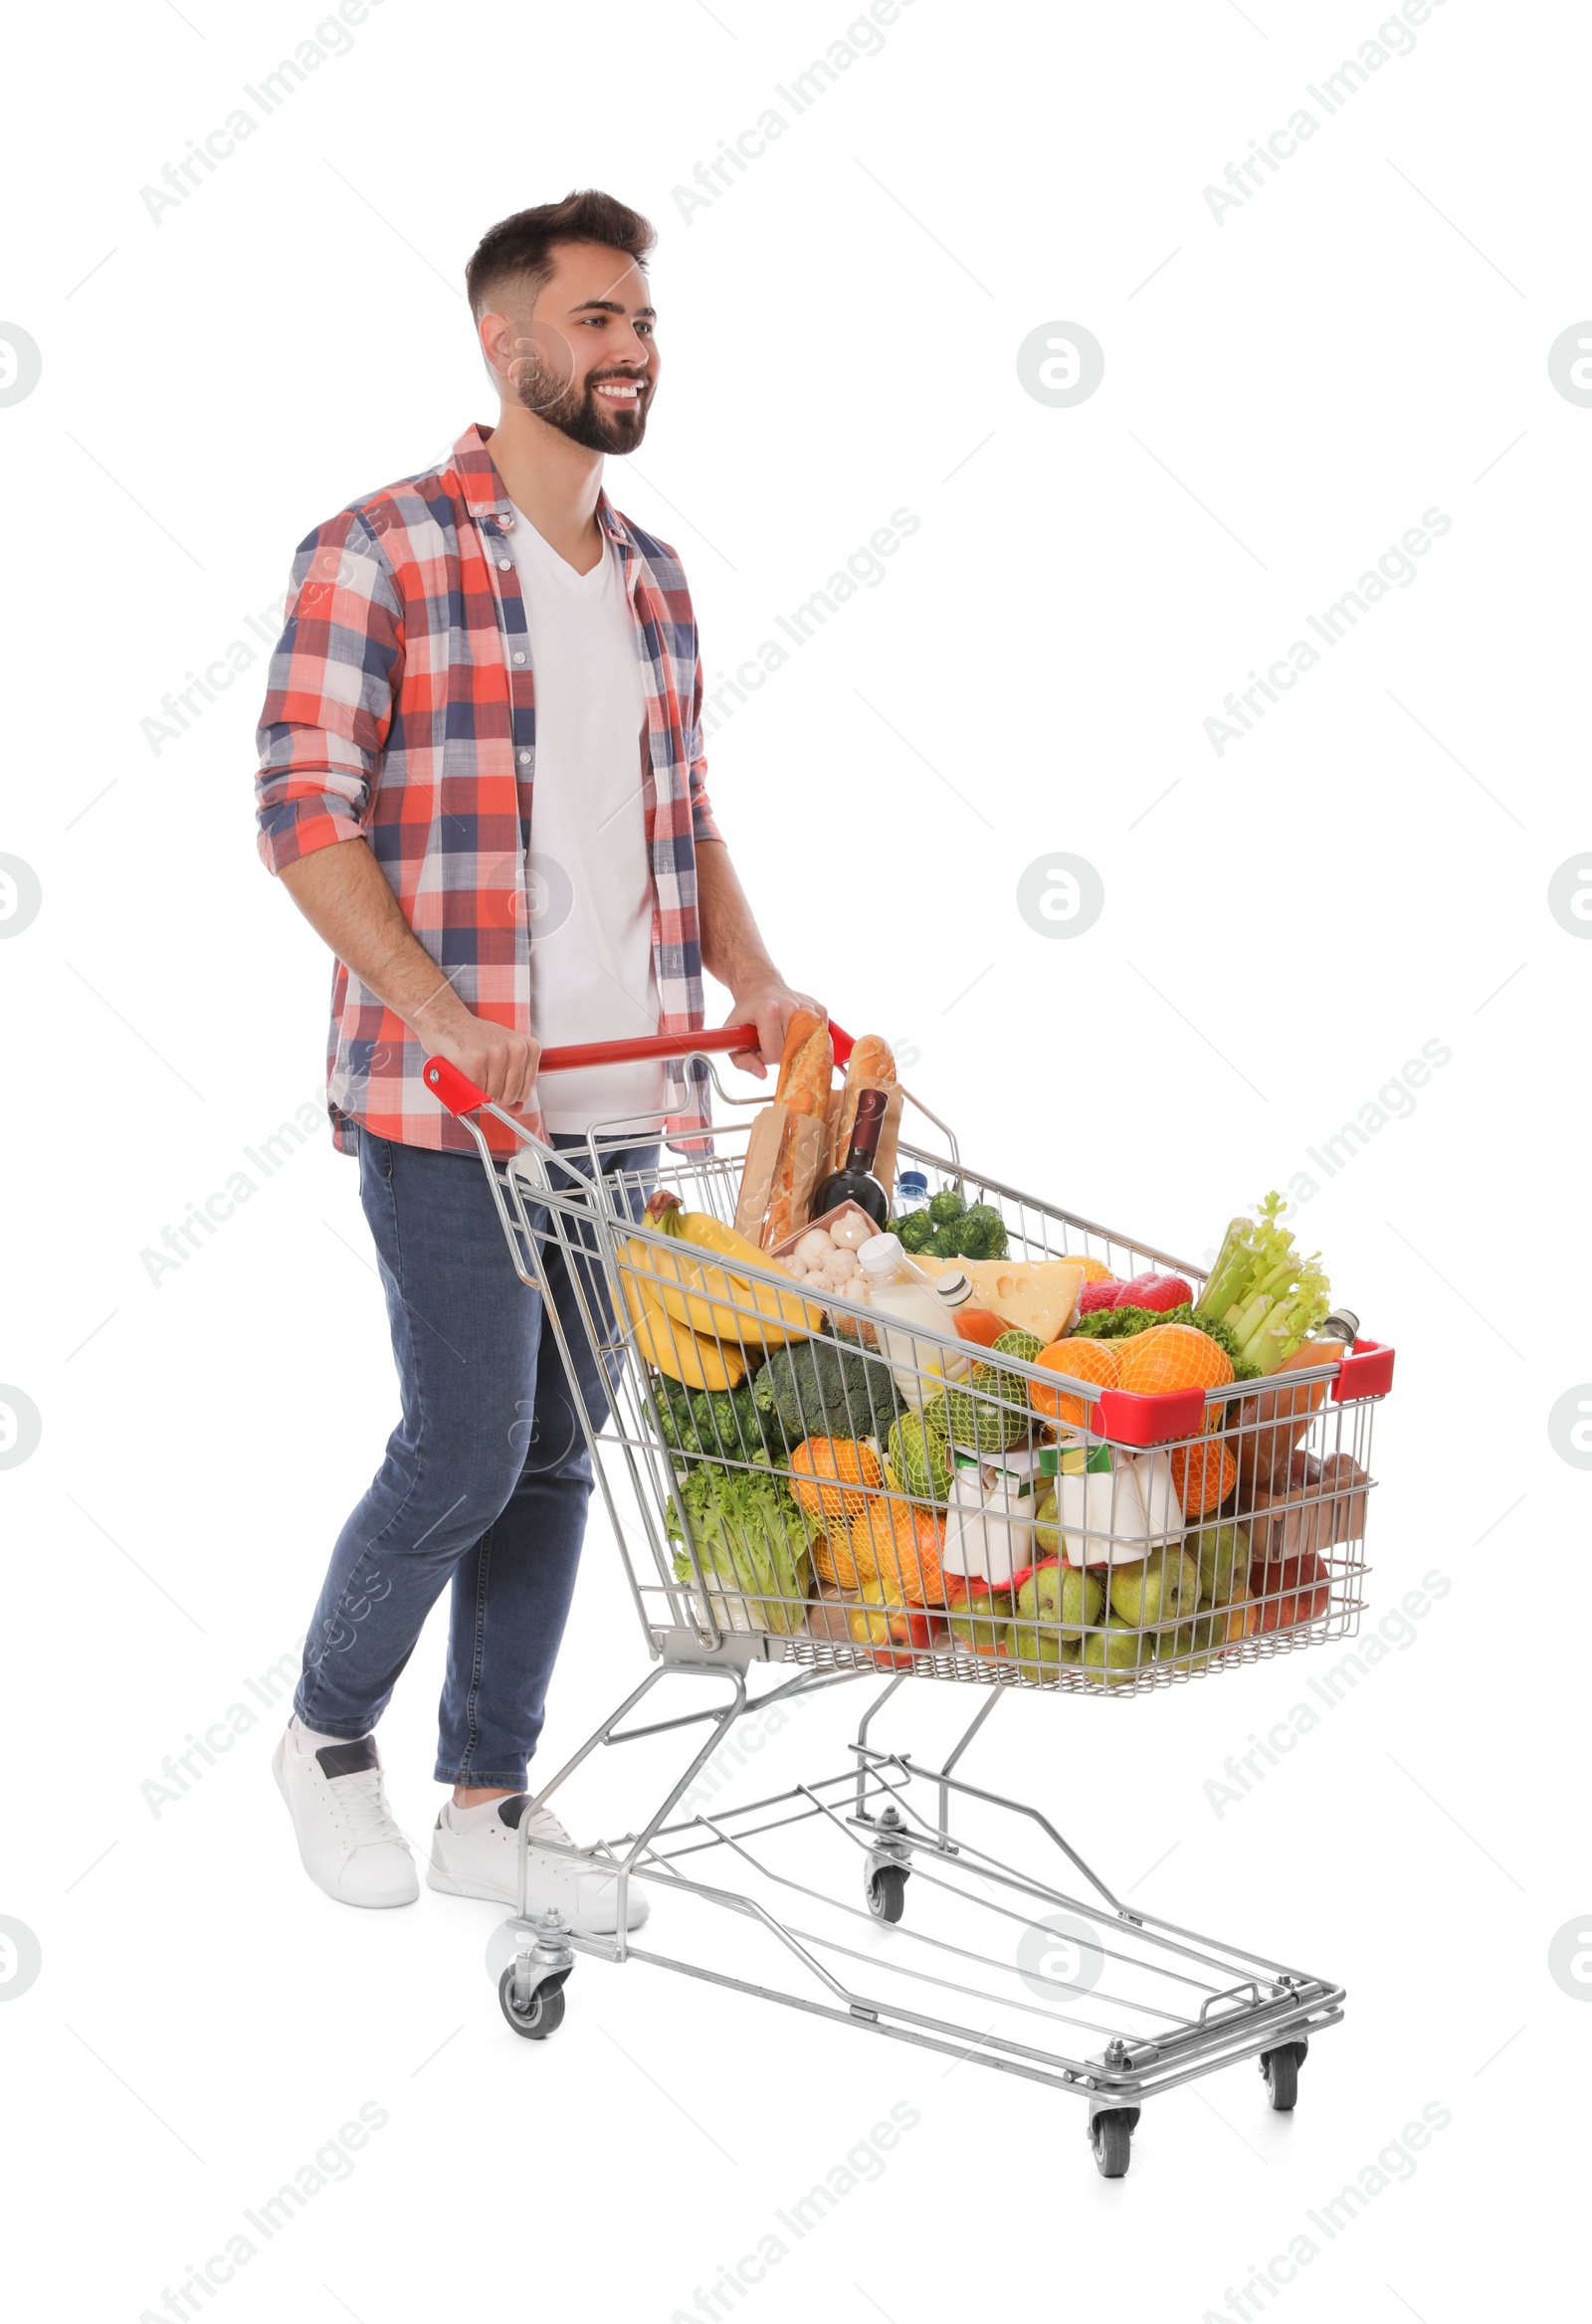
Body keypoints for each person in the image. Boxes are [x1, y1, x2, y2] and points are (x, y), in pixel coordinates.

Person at [255, 189, 816, 1922]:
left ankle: (489, 1798)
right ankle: (327, 1740)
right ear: (506, 349)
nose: (631, 346)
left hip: (625, 1099)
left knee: (567, 1453)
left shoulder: (658, 581)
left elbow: (683, 820)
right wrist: (440, 1017)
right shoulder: (381, 550)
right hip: (447, 1110)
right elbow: (299, 813)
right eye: (595, 320)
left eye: (641, 318)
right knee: (469, 1445)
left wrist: (766, 982)